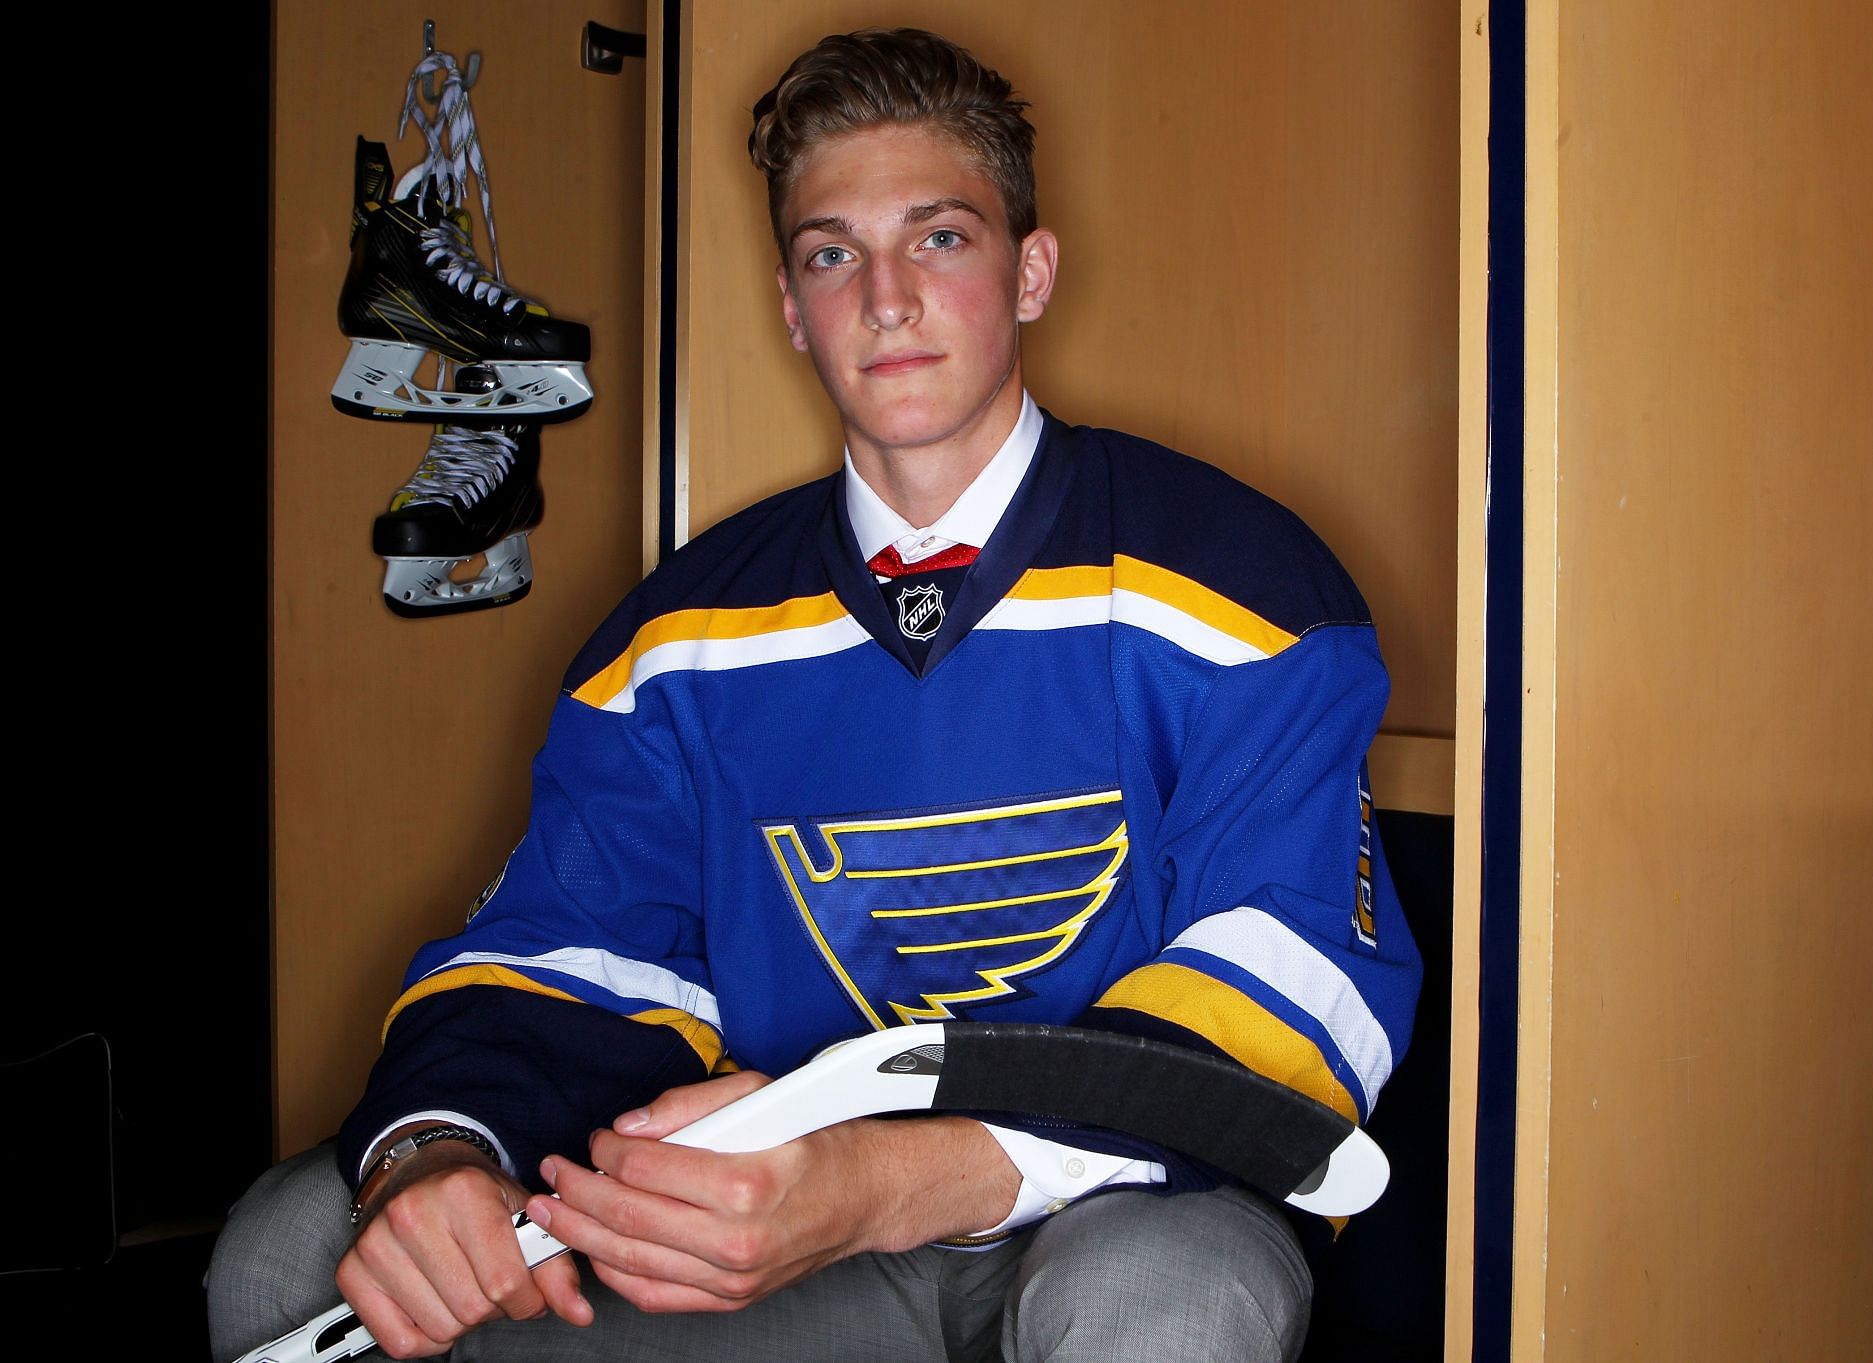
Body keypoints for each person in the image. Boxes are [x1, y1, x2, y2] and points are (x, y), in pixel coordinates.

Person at [209, 27, 1420, 1363]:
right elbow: (574, 948)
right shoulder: (675, 640)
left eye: (941, 239)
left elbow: (1292, 980)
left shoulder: (1243, 580)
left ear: (1030, 271)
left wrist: (880, 1181)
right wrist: (441, 1152)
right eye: (833, 254)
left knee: (1163, 1307)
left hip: (1124, 1207)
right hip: (787, 1245)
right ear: (791, 303)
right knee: (292, 1256)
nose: (885, 298)